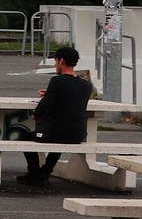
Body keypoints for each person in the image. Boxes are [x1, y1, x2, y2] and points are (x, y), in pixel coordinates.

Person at [17, 46, 93, 186]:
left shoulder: (57, 81)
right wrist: (51, 92)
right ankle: (46, 171)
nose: (55, 64)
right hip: (78, 135)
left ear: (61, 61)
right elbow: (70, 97)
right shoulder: (86, 85)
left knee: (25, 137)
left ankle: (35, 173)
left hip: (57, 133)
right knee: (59, 135)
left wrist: (35, 114)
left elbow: (45, 106)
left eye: (55, 61)